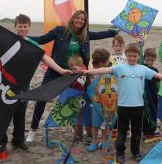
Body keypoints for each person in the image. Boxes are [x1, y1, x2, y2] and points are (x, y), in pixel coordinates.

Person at [26, 10, 117, 143]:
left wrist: (114, 32)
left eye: (83, 19)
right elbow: (41, 40)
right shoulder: (60, 31)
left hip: (75, 74)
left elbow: (99, 34)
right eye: (78, 18)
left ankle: (82, 130)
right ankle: (33, 130)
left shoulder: (85, 35)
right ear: (73, 18)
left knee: (81, 100)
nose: (80, 21)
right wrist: (25, 38)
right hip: (56, 70)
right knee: (42, 98)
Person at [83, 43, 162, 164]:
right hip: (123, 106)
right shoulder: (120, 68)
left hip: (138, 106)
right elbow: (105, 69)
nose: (132, 58)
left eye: (134, 56)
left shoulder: (143, 69)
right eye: (129, 56)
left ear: (139, 56)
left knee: (136, 131)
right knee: (122, 131)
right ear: (126, 55)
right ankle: (120, 153)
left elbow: (156, 75)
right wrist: (88, 72)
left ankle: (136, 152)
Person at [0, 14, 71, 156]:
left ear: (29, 27)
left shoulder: (33, 44)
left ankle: (18, 140)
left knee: (20, 113)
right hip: (6, 85)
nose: (23, 28)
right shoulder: (8, 41)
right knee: (5, 114)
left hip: (24, 85)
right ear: (15, 27)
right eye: (20, 26)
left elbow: (46, 58)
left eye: (25, 26)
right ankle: (2, 142)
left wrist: (61, 70)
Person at [85, 48, 117, 152]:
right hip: (97, 104)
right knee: (96, 124)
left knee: (105, 123)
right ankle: (94, 142)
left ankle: (102, 142)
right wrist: (91, 61)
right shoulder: (94, 73)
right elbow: (90, 70)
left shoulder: (109, 72)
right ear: (104, 62)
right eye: (107, 60)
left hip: (107, 104)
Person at [66, 55, 92, 142]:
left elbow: (87, 85)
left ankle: (89, 135)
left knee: (87, 117)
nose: (74, 71)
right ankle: (78, 134)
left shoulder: (85, 74)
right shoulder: (71, 76)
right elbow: (69, 87)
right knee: (76, 118)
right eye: (73, 69)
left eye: (76, 68)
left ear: (81, 66)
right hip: (75, 100)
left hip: (85, 99)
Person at [142, 48, 160, 138]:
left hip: (153, 94)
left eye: (152, 60)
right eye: (148, 59)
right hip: (145, 95)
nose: (150, 61)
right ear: (144, 58)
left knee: (154, 111)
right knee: (145, 113)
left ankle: (152, 130)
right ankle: (145, 131)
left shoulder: (155, 69)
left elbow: (158, 82)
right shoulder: (142, 67)